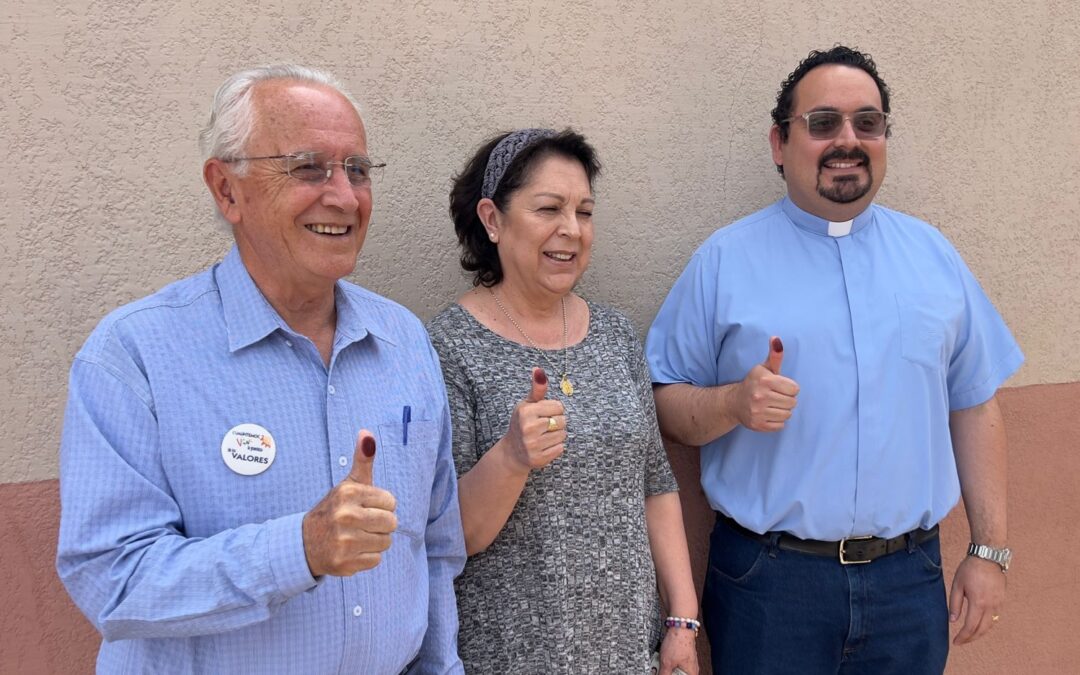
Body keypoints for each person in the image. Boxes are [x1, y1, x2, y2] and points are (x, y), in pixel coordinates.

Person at [55, 65, 465, 674]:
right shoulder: (134, 355)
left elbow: (432, 548)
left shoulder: (404, 340)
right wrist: (298, 549)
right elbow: (111, 579)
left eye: (357, 169)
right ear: (227, 190)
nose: (345, 196)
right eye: (308, 167)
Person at [646, 46, 1023, 674]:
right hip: (770, 583)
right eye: (823, 123)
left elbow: (975, 403)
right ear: (779, 143)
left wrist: (989, 551)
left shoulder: (934, 259)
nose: (847, 140)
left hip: (910, 583)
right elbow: (665, 404)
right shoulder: (724, 261)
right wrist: (733, 402)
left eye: (866, 123)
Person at [427, 128, 700, 674]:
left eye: (585, 211)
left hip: (628, 651)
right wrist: (510, 457)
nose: (571, 230)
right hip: (512, 656)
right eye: (548, 208)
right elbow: (451, 534)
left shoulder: (616, 335)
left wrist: (683, 622)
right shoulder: (447, 346)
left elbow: (657, 484)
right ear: (492, 219)